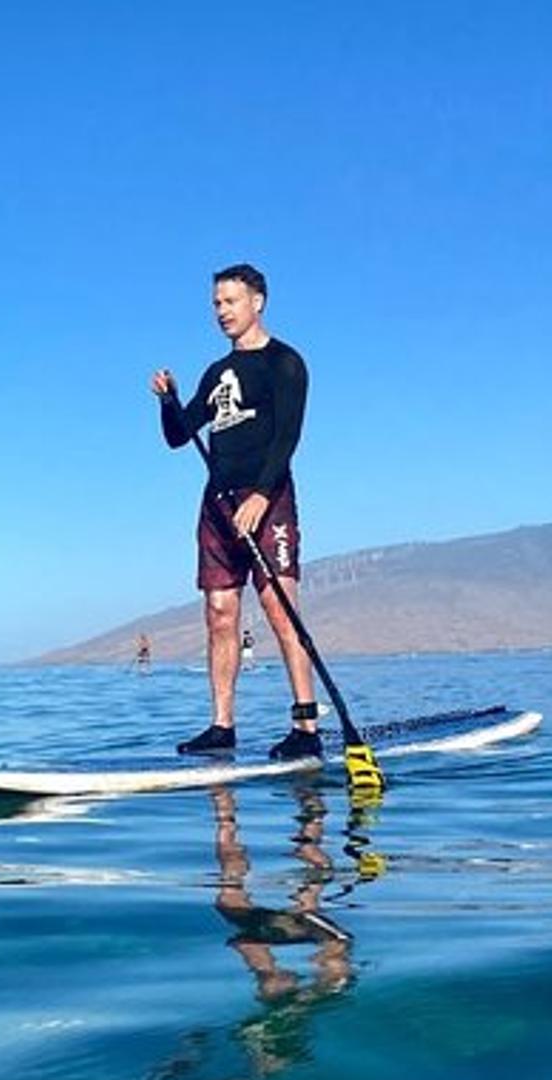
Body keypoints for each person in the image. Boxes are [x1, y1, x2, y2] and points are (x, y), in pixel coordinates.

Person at [151, 262, 318, 760]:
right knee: (220, 614)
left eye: (230, 301)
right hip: (217, 503)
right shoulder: (216, 373)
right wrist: (169, 401)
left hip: (267, 499)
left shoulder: (284, 363)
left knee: (278, 608)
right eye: (216, 304)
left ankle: (306, 726)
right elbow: (180, 436)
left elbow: (288, 435)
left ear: (257, 302)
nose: (221, 311)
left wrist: (262, 496)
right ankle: (222, 725)